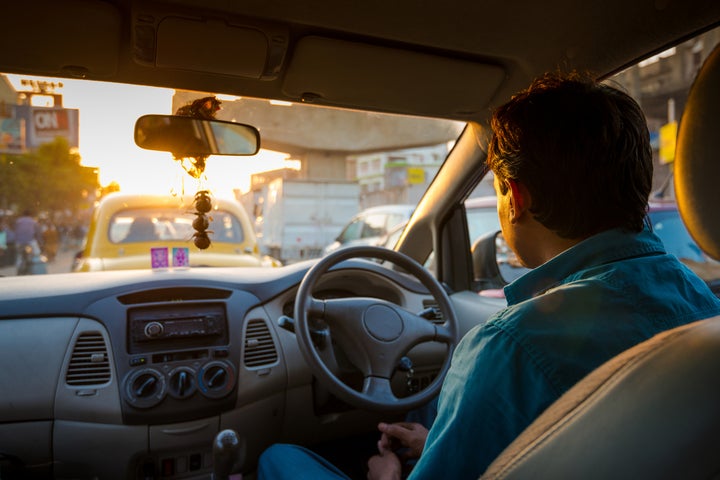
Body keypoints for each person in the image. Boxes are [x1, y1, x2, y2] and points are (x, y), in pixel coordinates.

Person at [256, 72, 720, 479]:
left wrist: (390, 474)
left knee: (278, 457)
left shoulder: (509, 348)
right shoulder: (702, 307)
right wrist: (438, 444)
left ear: (514, 197)